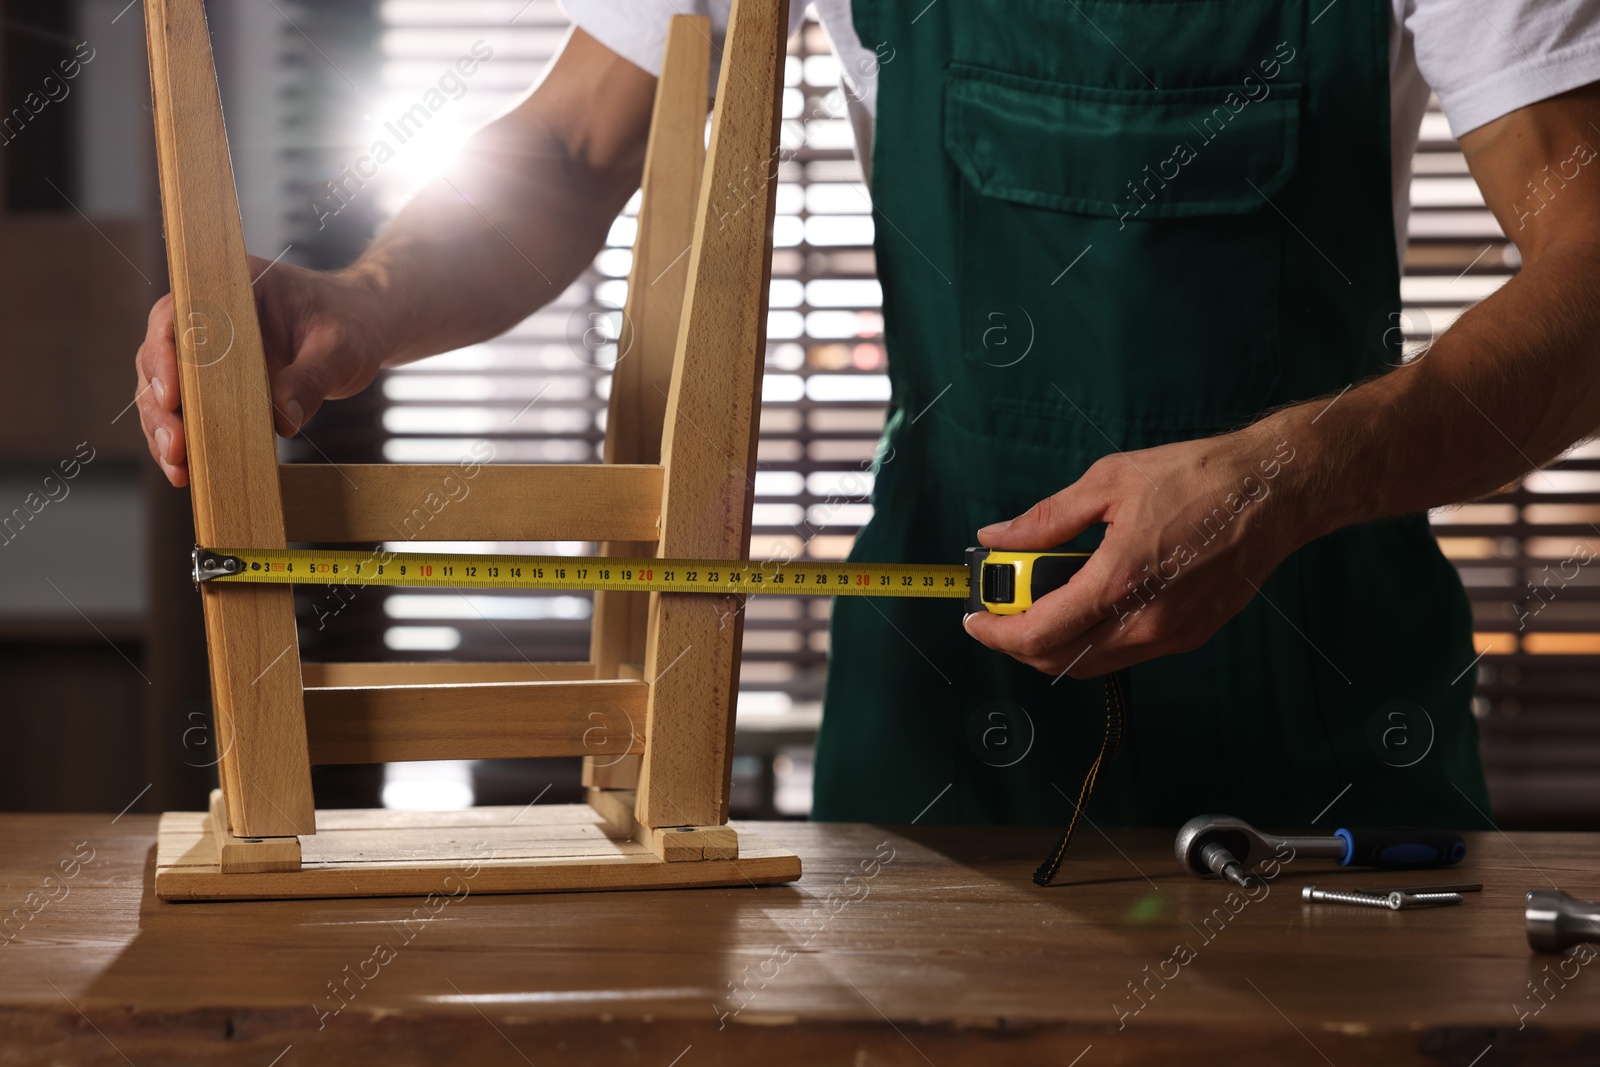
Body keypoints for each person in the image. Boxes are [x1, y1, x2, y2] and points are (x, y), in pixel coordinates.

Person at [135, 1, 1600, 831]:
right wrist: (360, 304)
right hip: (944, 702)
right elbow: (573, 150)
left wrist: (1281, 476)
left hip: (1321, 692)